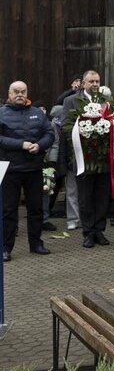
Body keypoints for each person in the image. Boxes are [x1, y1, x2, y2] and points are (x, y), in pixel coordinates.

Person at [0, 81, 54, 261]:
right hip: (10, 169)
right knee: (8, 210)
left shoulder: (37, 113)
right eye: (16, 91)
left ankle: (36, 243)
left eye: (23, 91)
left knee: (36, 209)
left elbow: (50, 134)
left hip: (34, 168)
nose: (20, 94)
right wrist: (20, 145)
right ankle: (5, 248)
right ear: (9, 93)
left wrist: (39, 146)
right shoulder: (2, 114)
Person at [61, 70, 111, 248]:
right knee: (85, 198)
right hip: (83, 157)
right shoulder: (71, 101)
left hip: (103, 159)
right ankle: (88, 233)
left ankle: (99, 231)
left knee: (102, 197)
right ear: (83, 83)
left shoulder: (106, 100)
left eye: (97, 81)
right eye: (91, 81)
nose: (95, 84)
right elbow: (66, 126)